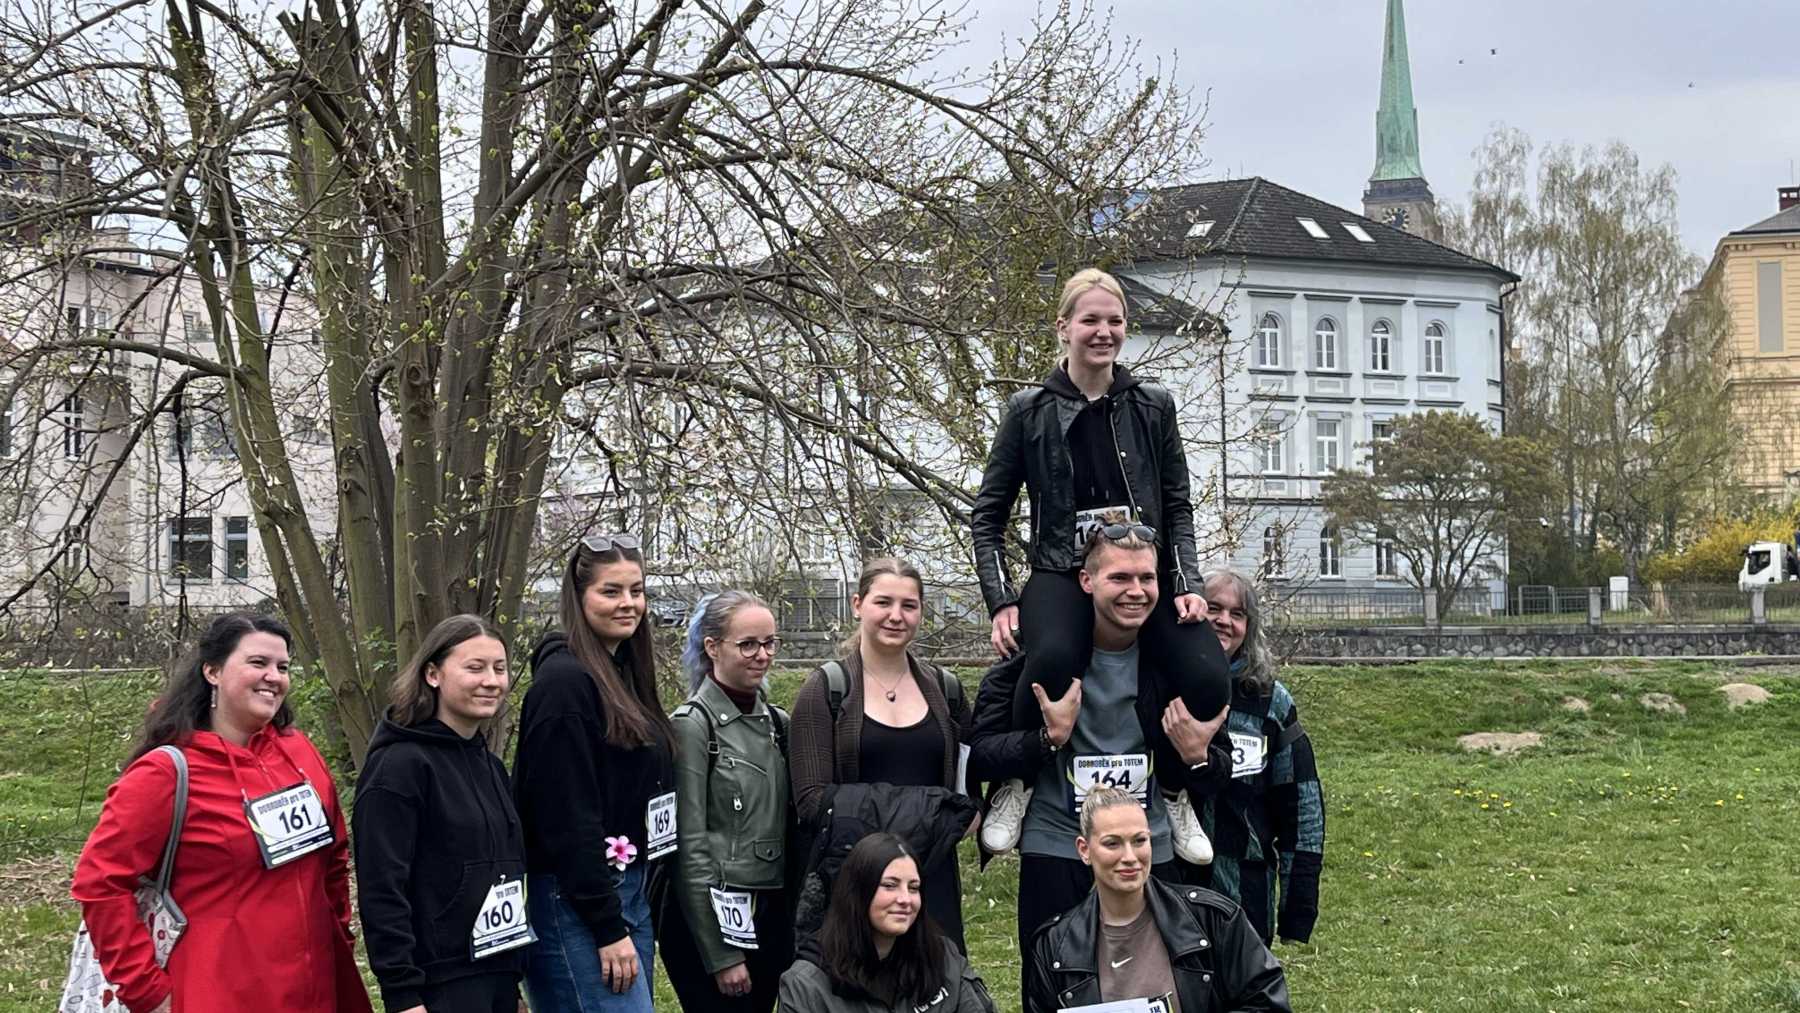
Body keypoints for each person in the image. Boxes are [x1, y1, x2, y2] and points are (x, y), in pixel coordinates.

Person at [971, 267, 1230, 861]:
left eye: (1114, 321)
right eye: (1090, 320)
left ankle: (1174, 791)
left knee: (1207, 672)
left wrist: (1185, 582)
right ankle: (1019, 783)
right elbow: (989, 515)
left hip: (1141, 570)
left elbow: (1177, 505)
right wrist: (1001, 599)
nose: (1103, 332)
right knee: (1052, 658)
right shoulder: (1028, 410)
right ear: (1063, 327)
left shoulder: (1153, 406)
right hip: (1061, 569)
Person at [967, 528, 1232, 999]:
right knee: (1054, 988)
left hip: (1148, 847)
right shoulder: (1037, 659)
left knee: (1154, 988)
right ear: (1086, 581)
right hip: (1057, 843)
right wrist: (1044, 740)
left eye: (1147, 578)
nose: (1136, 591)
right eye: (1120, 578)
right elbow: (980, 755)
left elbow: (1221, 770)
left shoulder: (1173, 667)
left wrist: (1196, 758)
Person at [71, 612, 371, 1013]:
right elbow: (100, 883)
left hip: (314, 988)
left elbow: (332, 858)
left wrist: (339, 937)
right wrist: (147, 991)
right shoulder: (165, 773)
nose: (274, 677)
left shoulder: (299, 753)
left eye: (283, 667)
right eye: (258, 663)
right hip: (218, 991)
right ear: (212, 671)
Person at [513, 534, 675, 1012]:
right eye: (611, 591)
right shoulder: (563, 686)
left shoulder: (621, 674)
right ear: (579, 596)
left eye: (636, 590)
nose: (628, 603)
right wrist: (606, 925)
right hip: (577, 902)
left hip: (627, 892)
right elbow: (566, 817)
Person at [788, 557, 978, 951]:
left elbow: (967, 794)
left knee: (937, 980)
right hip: (854, 882)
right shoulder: (825, 689)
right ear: (858, 604)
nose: (896, 616)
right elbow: (811, 801)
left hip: (931, 881)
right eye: (883, 603)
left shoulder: (947, 691)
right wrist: (932, 810)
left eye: (909, 605)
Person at [354, 614, 529, 1013]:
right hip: (439, 983)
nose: (492, 681)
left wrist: (513, 985)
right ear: (433, 674)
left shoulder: (490, 766)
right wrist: (402, 993)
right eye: (475, 668)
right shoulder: (399, 767)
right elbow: (382, 888)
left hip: (498, 974)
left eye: (499, 668)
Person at [1025, 786, 1293, 1012]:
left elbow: (1268, 1002)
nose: (1130, 857)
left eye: (1139, 841)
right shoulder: (1053, 946)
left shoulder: (1213, 919)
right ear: (1084, 850)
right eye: (1112, 843)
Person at [660, 590, 793, 1013]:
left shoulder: (778, 724)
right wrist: (720, 954)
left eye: (769, 643)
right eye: (748, 644)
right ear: (712, 647)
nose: (762, 655)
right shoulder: (692, 726)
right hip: (711, 918)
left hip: (769, 915)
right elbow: (689, 847)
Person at [1195, 569, 1324, 946]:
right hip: (1171, 883)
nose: (1224, 620)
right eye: (1213, 608)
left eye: (1237, 614)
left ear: (1248, 628)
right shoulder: (1160, 684)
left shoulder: (1271, 701)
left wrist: (1298, 909)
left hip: (1246, 890)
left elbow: (1302, 805)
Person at [777, 833, 997, 1013]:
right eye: (890, 886)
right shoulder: (807, 985)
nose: (905, 899)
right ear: (857, 893)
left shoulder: (943, 958)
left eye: (913, 888)